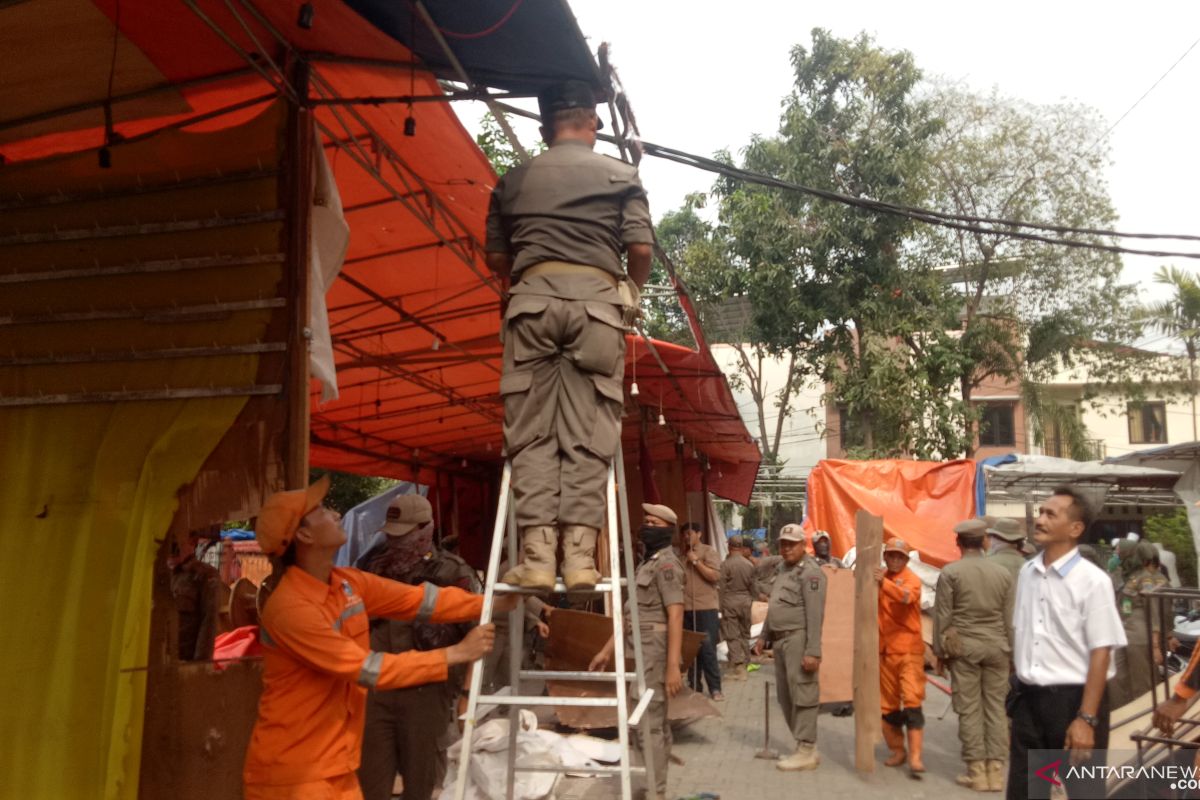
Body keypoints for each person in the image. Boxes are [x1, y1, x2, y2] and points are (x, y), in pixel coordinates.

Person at [242, 476, 513, 800]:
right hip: (295, 775)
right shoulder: (291, 608)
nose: (335, 514)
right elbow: (367, 668)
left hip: (335, 765)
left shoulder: (347, 582)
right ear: (303, 534)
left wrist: (493, 602)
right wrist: (454, 654)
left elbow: (419, 601)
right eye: (321, 511)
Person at [486, 80, 654, 592]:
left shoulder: (513, 180)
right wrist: (627, 287)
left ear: (546, 127)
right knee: (588, 433)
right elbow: (640, 250)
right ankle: (580, 560)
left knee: (533, 431)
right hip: (598, 310)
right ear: (593, 123)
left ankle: (536, 557)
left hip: (531, 305)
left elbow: (496, 258)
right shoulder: (622, 175)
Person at [355, 495, 482, 800]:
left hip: (426, 694)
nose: (395, 542)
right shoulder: (370, 566)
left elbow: (477, 638)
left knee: (422, 786)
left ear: (426, 528)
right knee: (370, 783)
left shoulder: (454, 573)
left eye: (404, 534)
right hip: (377, 690)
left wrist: (466, 695)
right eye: (391, 533)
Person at [1007, 486, 1127, 800]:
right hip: (1030, 703)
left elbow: (1101, 651)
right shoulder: (1027, 573)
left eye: (1050, 514)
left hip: (1075, 703)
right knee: (1025, 791)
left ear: (1075, 528)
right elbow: (1022, 635)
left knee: (1084, 791)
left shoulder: (1093, 581)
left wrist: (1086, 719)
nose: (1040, 519)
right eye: (1041, 512)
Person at [589, 503, 684, 800]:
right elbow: (630, 619)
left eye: (653, 523)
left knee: (649, 724)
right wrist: (606, 650)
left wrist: (672, 666)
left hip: (654, 653)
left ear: (666, 530)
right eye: (645, 521)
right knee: (647, 722)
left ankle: (657, 792)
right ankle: (654, 786)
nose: (646, 526)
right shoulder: (648, 563)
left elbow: (676, 613)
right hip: (639, 650)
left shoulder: (667, 565)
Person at [933, 520, 1015, 792]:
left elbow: (943, 617)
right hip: (997, 648)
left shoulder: (951, 572)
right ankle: (996, 772)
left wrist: (939, 652)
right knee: (995, 708)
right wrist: (1012, 651)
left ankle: (976, 771)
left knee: (969, 709)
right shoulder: (1002, 573)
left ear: (958, 543)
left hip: (964, 648)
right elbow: (1009, 617)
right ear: (984, 542)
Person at [752, 524, 826, 771]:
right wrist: (764, 635)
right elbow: (776, 605)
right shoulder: (783, 569)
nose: (786, 548)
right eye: (783, 543)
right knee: (786, 698)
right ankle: (803, 745)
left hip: (799, 639)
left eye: (791, 544)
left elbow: (816, 616)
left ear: (802, 545)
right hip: (781, 641)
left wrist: (813, 651)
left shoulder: (811, 573)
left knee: (803, 694)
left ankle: (807, 749)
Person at [877, 537, 927, 775]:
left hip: (908, 652)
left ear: (906, 560)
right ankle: (898, 750)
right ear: (885, 557)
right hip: (885, 652)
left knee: (912, 702)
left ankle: (915, 757)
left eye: (900, 556)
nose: (895, 559)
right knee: (886, 706)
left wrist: (882, 584)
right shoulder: (880, 578)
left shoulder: (911, 580)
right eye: (891, 555)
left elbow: (906, 597)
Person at [1110, 540, 1169, 709]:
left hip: (1141, 636)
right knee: (1117, 681)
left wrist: (1156, 645)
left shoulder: (1151, 579)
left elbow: (1155, 611)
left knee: (1142, 685)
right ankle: (1121, 719)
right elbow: (1125, 606)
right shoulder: (1134, 576)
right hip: (1124, 633)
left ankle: (1145, 721)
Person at [679, 520, 723, 700]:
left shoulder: (708, 552)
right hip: (686, 609)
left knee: (707, 649)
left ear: (699, 534)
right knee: (690, 651)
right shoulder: (681, 556)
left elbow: (714, 576)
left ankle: (715, 688)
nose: (686, 537)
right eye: (684, 534)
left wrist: (696, 561)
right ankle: (694, 687)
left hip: (705, 609)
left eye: (690, 533)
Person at [719, 535, 756, 682]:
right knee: (745, 634)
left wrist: (719, 607)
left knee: (732, 635)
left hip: (730, 602)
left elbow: (721, 588)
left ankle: (738, 668)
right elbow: (754, 587)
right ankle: (746, 662)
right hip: (746, 601)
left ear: (729, 546)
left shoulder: (725, 565)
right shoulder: (749, 565)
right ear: (741, 547)